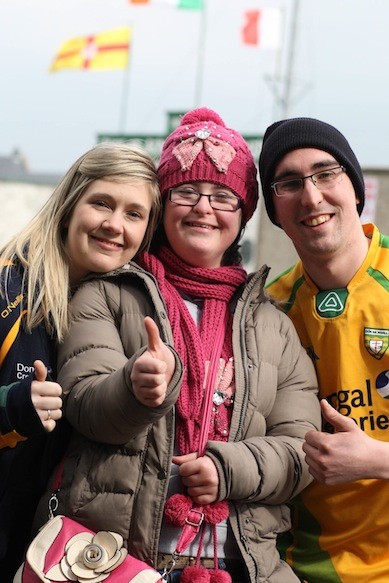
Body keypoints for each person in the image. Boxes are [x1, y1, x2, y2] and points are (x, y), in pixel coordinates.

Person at [36, 107, 321, 583]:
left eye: (223, 197)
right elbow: (83, 401)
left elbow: (302, 452)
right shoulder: (107, 293)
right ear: (162, 206)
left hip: (242, 565)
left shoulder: (275, 324)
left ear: (244, 216)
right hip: (111, 560)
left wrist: (229, 468)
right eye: (186, 192)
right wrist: (134, 386)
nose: (204, 208)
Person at [0, 140, 161, 582]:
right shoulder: (6, 287)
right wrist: (11, 406)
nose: (114, 225)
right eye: (102, 204)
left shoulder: (124, 311)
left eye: (134, 214)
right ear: (71, 204)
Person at [259, 117, 389, 582]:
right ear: (274, 210)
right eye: (289, 183)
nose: (311, 197)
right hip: (301, 568)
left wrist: (376, 459)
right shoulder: (267, 310)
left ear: (356, 189)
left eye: (325, 173)